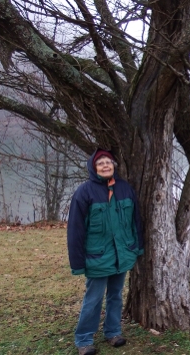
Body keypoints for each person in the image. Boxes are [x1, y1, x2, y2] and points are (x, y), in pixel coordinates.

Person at [67, 149, 144, 355]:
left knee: (116, 295)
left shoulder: (125, 189)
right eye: (100, 163)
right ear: (93, 167)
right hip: (97, 257)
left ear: (113, 165)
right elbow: (75, 230)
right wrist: (77, 263)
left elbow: (135, 221)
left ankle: (113, 332)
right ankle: (83, 339)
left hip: (122, 255)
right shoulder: (84, 192)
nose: (105, 166)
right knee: (93, 299)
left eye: (108, 162)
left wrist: (138, 247)